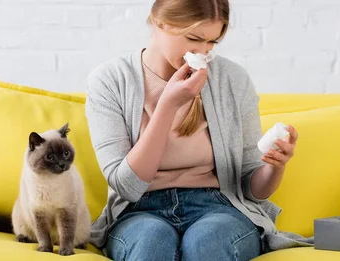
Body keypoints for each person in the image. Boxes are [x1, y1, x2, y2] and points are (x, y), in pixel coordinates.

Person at [84, 0, 300, 260]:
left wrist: (274, 167)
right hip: (138, 210)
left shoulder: (232, 79)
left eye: (212, 42)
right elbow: (126, 187)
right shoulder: (110, 81)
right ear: (160, 21)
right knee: (151, 243)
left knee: (207, 243)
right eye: (194, 38)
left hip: (219, 207)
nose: (204, 51)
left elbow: (251, 189)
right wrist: (168, 105)